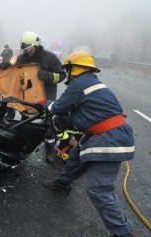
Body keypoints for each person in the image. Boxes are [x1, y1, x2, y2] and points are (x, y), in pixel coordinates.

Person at [40, 50, 135, 237]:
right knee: (76, 156)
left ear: (74, 69)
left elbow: (57, 107)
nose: (66, 73)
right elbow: (85, 112)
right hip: (101, 134)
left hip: (110, 138)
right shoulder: (92, 82)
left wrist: (43, 102)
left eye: (67, 69)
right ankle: (63, 184)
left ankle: (122, 232)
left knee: (98, 189)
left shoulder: (79, 84)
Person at [17, 31, 66, 163]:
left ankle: (50, 150)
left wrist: (47, 76)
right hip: (27, 98)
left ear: (36, 45)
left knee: (48, 126)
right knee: (24, 123)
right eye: (25, 49)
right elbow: (15, 74)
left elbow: (62, 75)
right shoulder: (22, 59)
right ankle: (20, 147)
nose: (28, 52)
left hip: (46, 98)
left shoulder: (50, 58)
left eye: (29, 49)